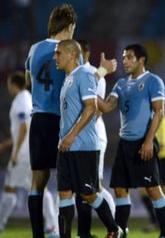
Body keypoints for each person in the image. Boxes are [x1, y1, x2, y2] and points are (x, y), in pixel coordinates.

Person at [24, 4, 116, 237]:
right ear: (70, 25)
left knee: (37, 184)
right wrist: (104, 72)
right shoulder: (68, 51)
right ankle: (84, 232)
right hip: (63, 121)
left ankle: (38, 234)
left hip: (38, 119)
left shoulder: (34, 49)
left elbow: (28, 82)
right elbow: (83, 80)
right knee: (78, 183)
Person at [97, 43, 165, 238]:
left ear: (141, 60)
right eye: (123, 57)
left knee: (153, 189)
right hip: (125, 143)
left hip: (143, 143)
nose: (125, 61)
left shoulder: (153, 81)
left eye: (129, 57)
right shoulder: (120, 84)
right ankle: (121, 232)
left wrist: (148, 141)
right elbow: (106, 107)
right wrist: (90, 86)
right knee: (121, 190)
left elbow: (159, 113)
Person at [54, 39, 122, 237]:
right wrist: (63, 139)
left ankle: (113, 228)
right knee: (64, 194)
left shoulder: (83, 74)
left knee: (89, 193)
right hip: (66, 146)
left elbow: (92, 107)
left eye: (59, 53)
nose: (55, 57)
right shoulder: (68, 78)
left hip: (83, 146)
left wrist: (71, 135)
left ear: (72, 55)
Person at [0, 71, 58, 237]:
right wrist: (6, 144)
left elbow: (24, 127)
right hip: (31, 152)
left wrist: (16, 152)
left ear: (13, 84)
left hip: (23, 155)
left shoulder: (21, 100)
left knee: (10, 189)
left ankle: (1, 225)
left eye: (9, 84)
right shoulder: (27, 98)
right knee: (40, 188)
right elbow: (22, 129)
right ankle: (51, 226)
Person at [76, 39, 116, 238]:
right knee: (81, 187)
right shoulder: (72, 74)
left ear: (86, 53)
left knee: (95, 186)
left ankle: (115, 226)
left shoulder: (95, 75)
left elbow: (98, 111)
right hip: (79, 136)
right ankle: (84, 232)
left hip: (93, 135)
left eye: (76, 52)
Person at [139, 114, 165, 232]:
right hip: (154, 159)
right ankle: (156, 221)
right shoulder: (151, 121)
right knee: (144, 190)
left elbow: (162, 142)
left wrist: (145, 144)